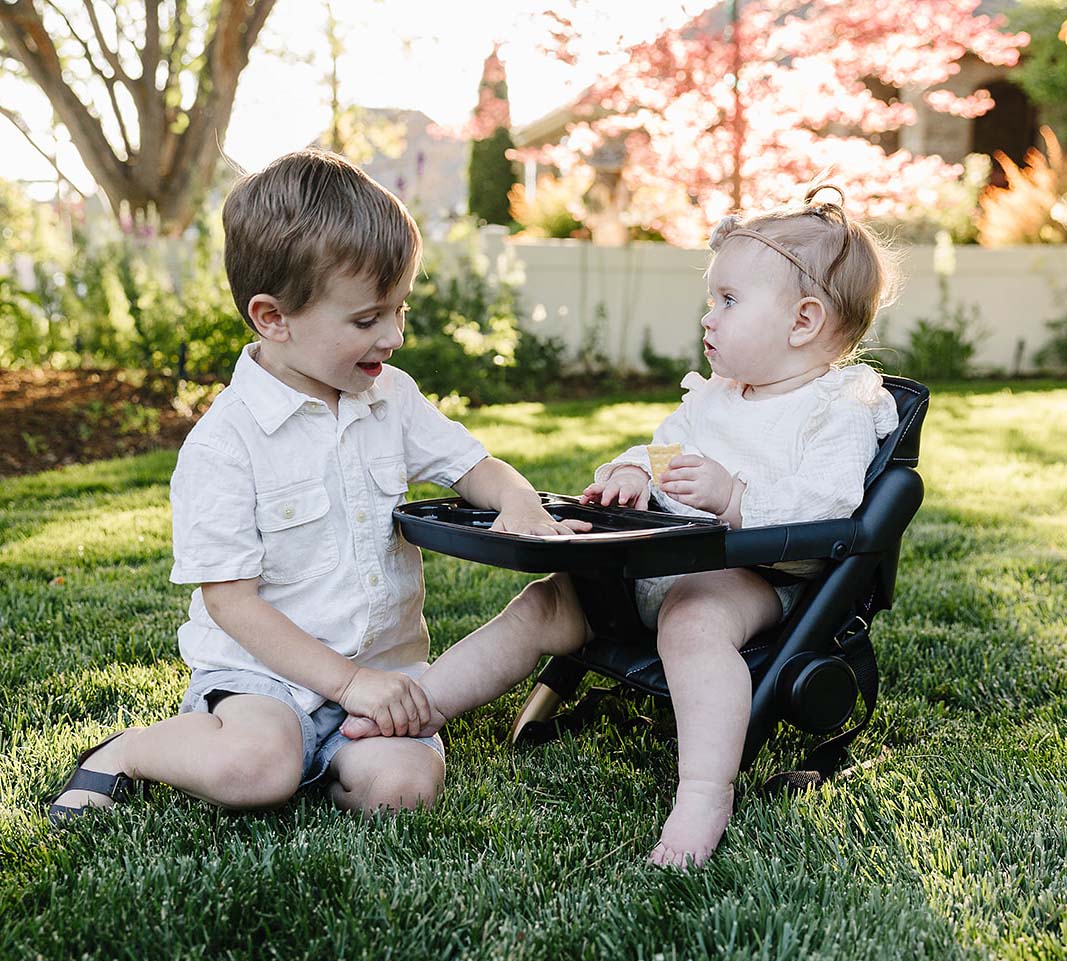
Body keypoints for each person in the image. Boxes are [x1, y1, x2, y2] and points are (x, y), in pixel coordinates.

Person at [344, 184, 900, 869]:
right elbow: (661, 449)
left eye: (728, 300)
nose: (709, 315)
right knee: (545, 600)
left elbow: (828, 511)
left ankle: (703, 791)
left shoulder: (836, 409)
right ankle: (418, 705)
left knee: (693, 621)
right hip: (655, 560)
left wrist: (733, 497)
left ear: (803, 320)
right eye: (711, 298)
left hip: (751, 578)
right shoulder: (716, 399)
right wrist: (634, 470)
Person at [47, 148, 588, 826]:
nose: (392, 336)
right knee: (256, 767)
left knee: (402, 790)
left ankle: (336, 755)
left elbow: (474, 466)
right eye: (367, 319)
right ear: (273, 318)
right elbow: (231, 604)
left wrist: (518, 501)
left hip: (383, 671)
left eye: (400, 310)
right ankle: (132, 749)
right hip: (262, 677)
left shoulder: (391, 398)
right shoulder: (226, 441)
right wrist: (345, 684)